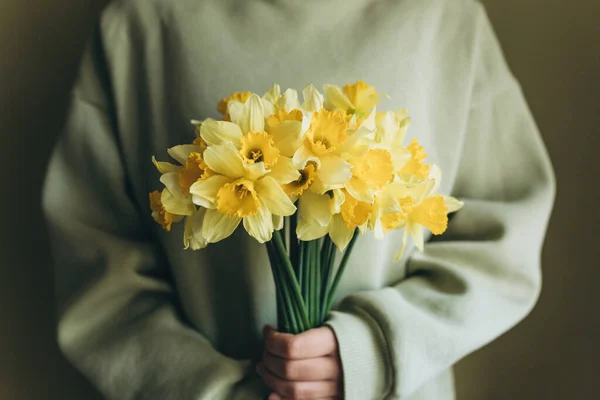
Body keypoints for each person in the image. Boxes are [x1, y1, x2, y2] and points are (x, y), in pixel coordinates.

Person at [42, 0, 555, 399]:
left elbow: (501, 244)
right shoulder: (142, 23)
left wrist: (373, 350)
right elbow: (97, 273)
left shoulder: (443, 19)